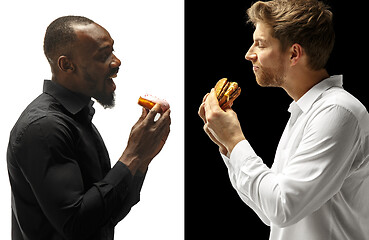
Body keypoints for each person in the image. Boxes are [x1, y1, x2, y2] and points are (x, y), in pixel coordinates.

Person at [198, 0, 369, 239]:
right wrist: (227, 147)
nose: (249, 54)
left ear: (294, 53)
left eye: (260, 44)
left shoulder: (338, 111)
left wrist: (236, 141)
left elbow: (282, 208)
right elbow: (269, 212)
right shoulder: (305, 111)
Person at [7, 16, 171, 240]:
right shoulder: (44, 127)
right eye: (103, 56)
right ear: (66, 65)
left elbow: (107, 213)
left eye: (113, 51)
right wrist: (133, 154)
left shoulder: (76, 119)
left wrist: (142, 159)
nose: (117, 61)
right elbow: (77, 225)